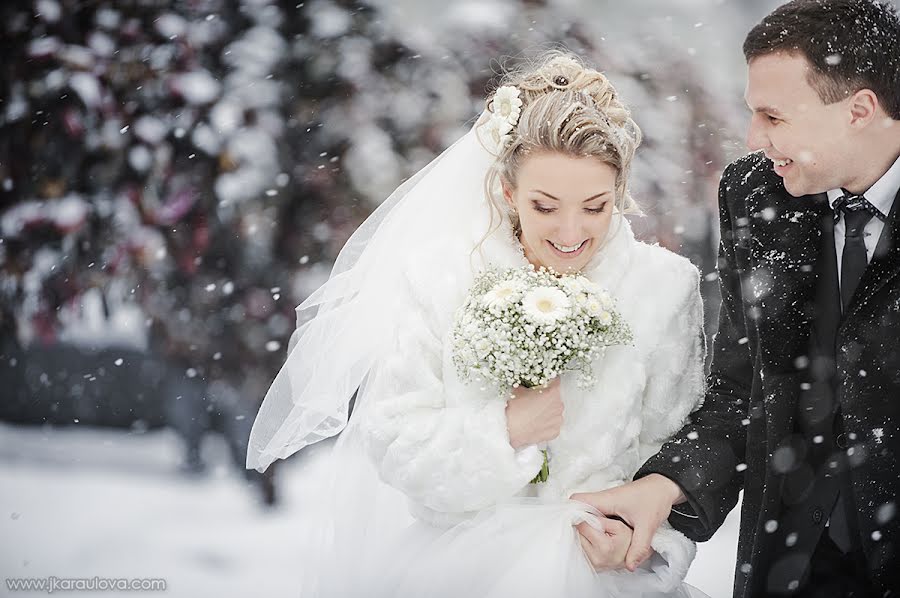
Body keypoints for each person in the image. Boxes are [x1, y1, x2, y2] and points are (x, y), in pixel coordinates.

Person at [246, 53, 709, 597]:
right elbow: (396, 440)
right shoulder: (444, 278)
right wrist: (506, 431)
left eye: (594, 206)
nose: (569, 230)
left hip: (606, 575)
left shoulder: (665, 289)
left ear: (620, 192)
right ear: (510, 194)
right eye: (545, 206)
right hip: (467, 569)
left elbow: (681, 450)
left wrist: (641, 541)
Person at [572, 1, 900, 596]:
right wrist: (668, 486)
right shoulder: (756, 193)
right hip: (791, 565)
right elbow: (742, 386)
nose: (754, 138)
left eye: (774, 116)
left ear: (859, 110)